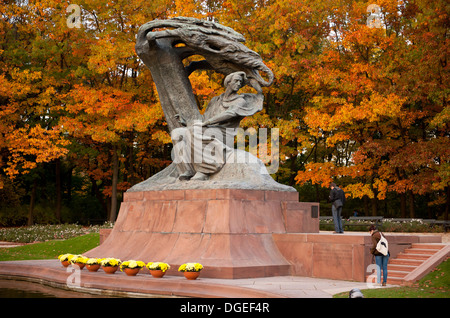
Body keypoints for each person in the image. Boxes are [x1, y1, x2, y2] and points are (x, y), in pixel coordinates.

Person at [172, 71, 264, 181]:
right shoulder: (216, 100)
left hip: (225, 133)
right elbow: (203, 119)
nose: (239, 84)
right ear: (228, 82)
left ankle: (204, 170)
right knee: (177, 133)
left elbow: (230, 114)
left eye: (240, 82)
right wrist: (186, 122)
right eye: (236, 81)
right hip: (209, 128)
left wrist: (208, 122)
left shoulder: (240, 101)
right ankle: (188, 170)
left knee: (193, 131)